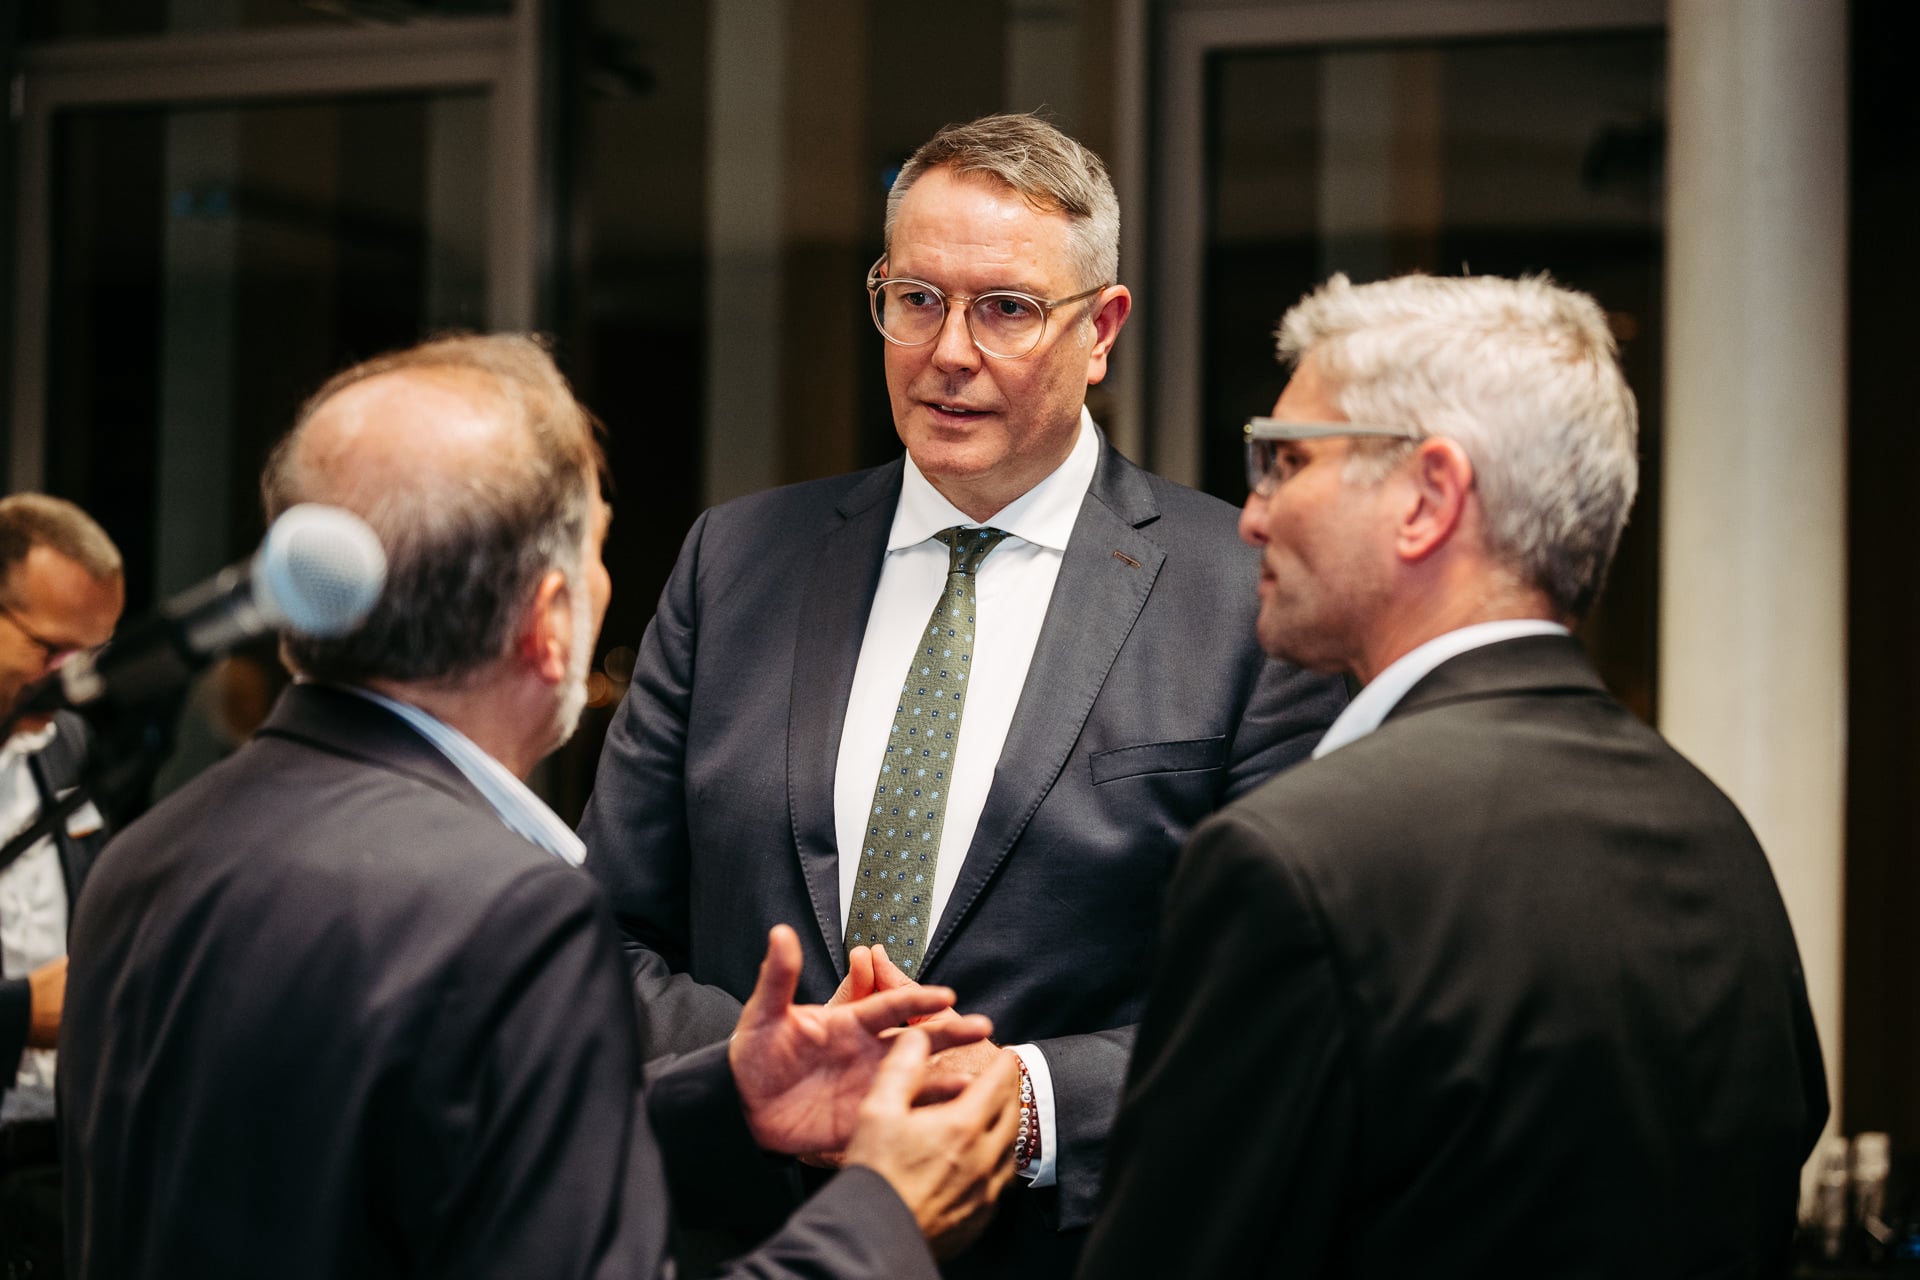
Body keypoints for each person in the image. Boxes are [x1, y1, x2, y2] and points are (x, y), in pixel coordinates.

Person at [59, 334, 1020, 1280]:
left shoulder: (149, 856)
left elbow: (378, 1170)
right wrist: (883, 1216)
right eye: (598, 549)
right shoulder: (511, 914)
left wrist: (722, 1096)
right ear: (548, 620)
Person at [577, 112, 1347, 1274]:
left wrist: (1029, 1099)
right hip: (753, 1240)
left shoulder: (1245, 594)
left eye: (1006, 309)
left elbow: (1289, 1008)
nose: (948, 351)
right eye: (917, 299)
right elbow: (607, 933)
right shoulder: (735, 563)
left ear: (1102, 330)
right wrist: (786, 1062)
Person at [1079, 273, 1831, 1278]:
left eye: (1288, 459)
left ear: (1428, 498)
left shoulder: (1298, 860)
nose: (1252, 515)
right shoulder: (1719, 836)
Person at [0, 495, 122, 1273]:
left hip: (55, 1166)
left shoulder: (66, 743)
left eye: (90, 659)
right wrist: (18, 1016)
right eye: (50, 651)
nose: (70, 683)